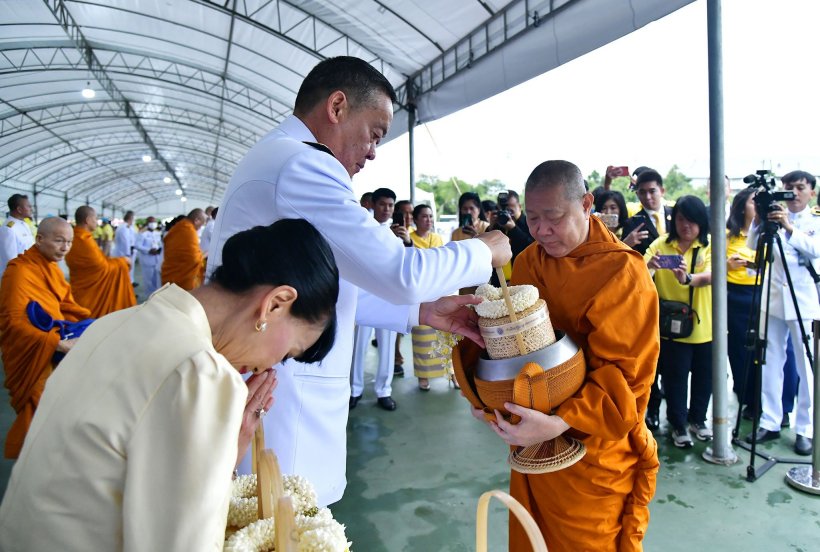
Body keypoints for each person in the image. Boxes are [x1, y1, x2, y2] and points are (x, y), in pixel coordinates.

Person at [207, 56, 510, 506]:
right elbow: (400, 273)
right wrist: (485, 250)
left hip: (283, 394)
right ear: (336, 107)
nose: (372, 152)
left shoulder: (281, 155)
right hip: (285, 402)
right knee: (287, 522)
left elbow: (325, 290)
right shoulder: (302, 165)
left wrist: (423, 311)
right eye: (374, 133)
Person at [0, 219, 337, 551]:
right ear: (275, 303)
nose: (271, 366)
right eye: (288, 351)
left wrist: (220, 449)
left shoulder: (115, 322)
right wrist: (226, 456)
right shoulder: (199, 372)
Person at [469, 160, 659, 551]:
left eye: (553, 217)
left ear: (587, 203)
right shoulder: (527, 262)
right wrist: (487, 399)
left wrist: (558, 424)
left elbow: (625, 379)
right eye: (533, 218)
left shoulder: (622, 272)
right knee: (532, 538)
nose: (540, 230)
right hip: (533, 445)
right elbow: (507, 347)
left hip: (594, 446)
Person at [0, 217, 92, 459]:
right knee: (40, 411)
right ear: (39, 239)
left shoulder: (50, 266)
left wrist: (90, 325)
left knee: (58, 411)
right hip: (36, 350)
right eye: (59, 240)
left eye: (69, 242)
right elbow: (13, 321)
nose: (65, 247)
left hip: (55, 342)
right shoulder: (19, 272)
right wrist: (58, 343)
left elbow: (65, 305)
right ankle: (34, 466)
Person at [745, 170, 819, 456]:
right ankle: (771, 420)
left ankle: (806, 429)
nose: (794, 194)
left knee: (808, 367)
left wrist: (789, 227)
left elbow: (815, 249)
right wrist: (759, 218)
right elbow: (753, 246)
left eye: (800, 188)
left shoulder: (815, 220)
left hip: (804, 303)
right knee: (770, 360)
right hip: (772, 299)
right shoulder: (772, 218)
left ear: (811, 191)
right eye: (788, 188)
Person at [645, 196, 713, 448]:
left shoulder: (709, 245)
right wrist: (651, 265)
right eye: (681, 219)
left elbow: (714, 274)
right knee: (675, 377)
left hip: (705, 326)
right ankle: (678, 424)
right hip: (670, 329)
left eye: (692, 220)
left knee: (704, 378)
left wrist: (687, 278)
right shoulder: (661, 244)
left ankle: (698, 420)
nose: (686, 225)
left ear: (702, 222)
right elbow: (638, 271)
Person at [725, 188, 799, 424]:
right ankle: (751, 401)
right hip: (737, 296)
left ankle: (784, 407)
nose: (759, 207)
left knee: (777, 352)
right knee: (741, 350)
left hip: (769, 292)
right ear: (741, 207)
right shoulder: (730, 234)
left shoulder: (777, 230)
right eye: (753, 202)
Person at [350, 188, 401, 410]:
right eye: (383, 204)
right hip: (365, 294)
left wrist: (405, 242)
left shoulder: (397, 233)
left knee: (387, 346)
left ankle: (384, 390)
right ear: (373, 204)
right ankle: (354, 389)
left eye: (390, 205)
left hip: (387, 297)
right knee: (358, 345)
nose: (386, 209)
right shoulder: (362, 227)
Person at [408, 204, 452, 391]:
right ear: (415, 219)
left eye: (431, 216)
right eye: (424, 216)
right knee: (422, 339)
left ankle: (451, 373)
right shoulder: (409, 238)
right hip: (418, 296)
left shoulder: (437, 238)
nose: (428, 220)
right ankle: (423, 375)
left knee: (444, 336)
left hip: (438, 293)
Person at [65, 206, 136, 318]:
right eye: (95, 219)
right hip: (91, 295)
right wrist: (122, 262)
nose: (96, 222)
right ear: (88, 220)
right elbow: (102, 267)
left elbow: (98, 261)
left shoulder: (74, 237)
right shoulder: (84, 240)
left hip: (79, 289)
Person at [621, 170, 673, 254]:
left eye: (652, 191)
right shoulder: (631, 224)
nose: (647, 197)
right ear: (637, 194)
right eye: (642, 192)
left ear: (662, 191)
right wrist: (626, 244)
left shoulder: (676, 215)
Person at [162, 208, 207, 291]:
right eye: (202, 224)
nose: (201, 227)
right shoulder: (189, 231)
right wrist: (204, 255)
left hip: (170, 273)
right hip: (183, 279)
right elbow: (193, 259)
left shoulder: (177, 227)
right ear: (197, 220)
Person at [0, 194, 35, 279]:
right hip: (17, 276)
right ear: (19, 209)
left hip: (29, 272)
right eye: (28, 206)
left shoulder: (24, 224)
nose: (31, 209)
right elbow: (11, 259)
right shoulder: (8, 229)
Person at [135, 215, 163, 296]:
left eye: (154, 222)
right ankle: (149, 297)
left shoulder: (157, 233)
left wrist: (159, 249)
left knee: (157, 280)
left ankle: (156, 296)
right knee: (148, 281)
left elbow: (159, 244)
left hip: (157, 260)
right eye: (151, 222)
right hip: (147, 260)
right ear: (147, 223)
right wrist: (148, 250)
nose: (153, 223)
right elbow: (138, 245)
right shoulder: (142, 233)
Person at [112, 210, 137, 284]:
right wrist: (128, 254)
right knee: (125, 274)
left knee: (128, 273)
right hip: (123, 254)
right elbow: (125, 242)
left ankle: (130, 286)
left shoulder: (128, 227)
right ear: (130, 218)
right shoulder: (123, 227)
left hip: (127, 253)